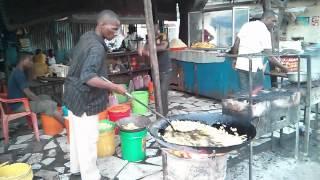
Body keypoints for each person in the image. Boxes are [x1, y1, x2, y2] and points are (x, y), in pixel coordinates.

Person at [63, 10, 126, 180]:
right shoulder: (97, 47)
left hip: (72, 94)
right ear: (101, 25)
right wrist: (113, 86)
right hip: (85, 99)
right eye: (113, 29)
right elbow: (89, 77)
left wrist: (104, 83)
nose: (115, 33)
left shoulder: (87, 37)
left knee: (77, 137)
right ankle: (91, 176)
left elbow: (81, 63)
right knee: (89, 140)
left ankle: (76, 171)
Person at [230, 10, 288, 94]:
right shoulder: (265, 31)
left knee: (244, 92)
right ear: (266, 18)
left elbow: (236, 43)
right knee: (256, 92)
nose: (274, 24)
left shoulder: (247, 25)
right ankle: (253, 106)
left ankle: (245, 106)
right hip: (254, 67)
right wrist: (284, 68)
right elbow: (270, 57)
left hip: (241, 64)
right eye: (273, 21)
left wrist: (235, 59)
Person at [7, 52, 64, 126]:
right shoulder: (19, 73)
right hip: (18, 105)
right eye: (30, 60)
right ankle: (67, 126)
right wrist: (41, 102)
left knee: (46, 97)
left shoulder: (18, 71)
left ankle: (48, 120)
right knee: (48, 104)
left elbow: (29, 83)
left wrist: (42, 100)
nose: (32, 63)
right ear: (24, 60)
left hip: (19, 102)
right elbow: (29, 93)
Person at [139, 23, 171, 116]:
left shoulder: (163, 36)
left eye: (153, 29)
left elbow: (163, 47)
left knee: (163, 91)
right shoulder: (149, 40)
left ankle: (164, 114)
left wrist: (148, 49)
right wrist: (144, 50)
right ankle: (159, 112)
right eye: (149, 30)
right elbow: (145, 52)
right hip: (156, 70)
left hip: (166, 70)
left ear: (157, 29)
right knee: (157, 92)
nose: (152, 31)